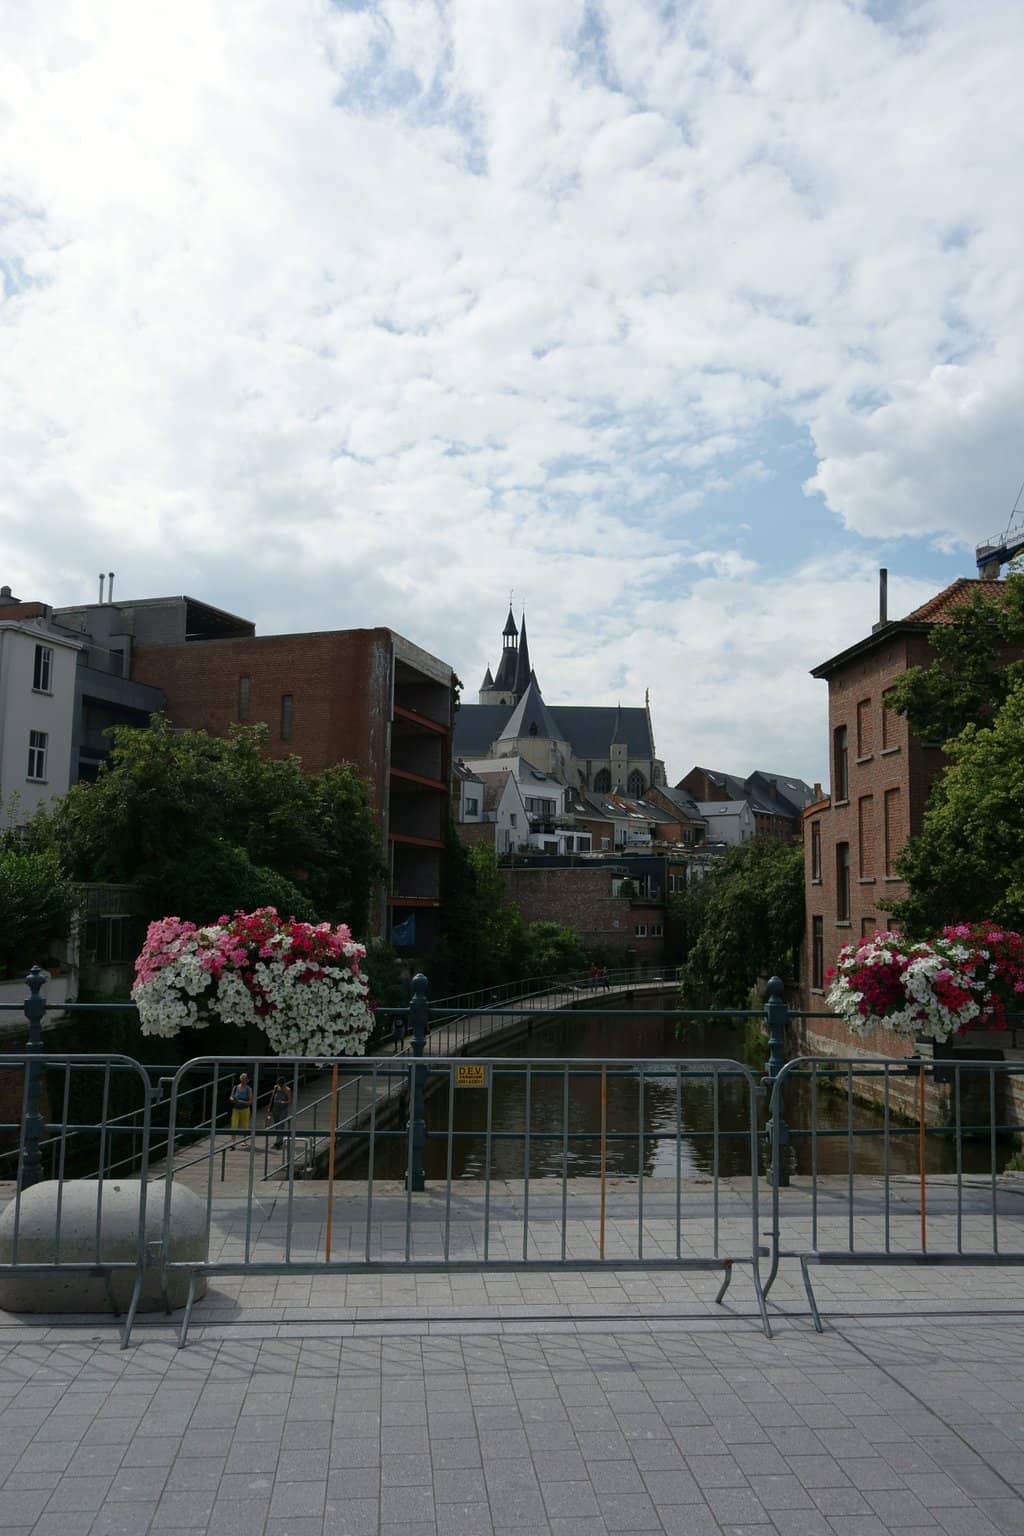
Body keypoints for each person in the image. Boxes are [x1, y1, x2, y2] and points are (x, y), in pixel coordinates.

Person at [266, 1077, 292, 1149]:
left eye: (281, 1084)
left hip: (283, 1109)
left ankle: (278, 1142)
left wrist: (283, 1102)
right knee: (276, 1125)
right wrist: (269, 1108)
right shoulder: (276, 1088)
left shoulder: (288, 1090)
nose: (280, 1086)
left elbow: (290, 1101)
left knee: (281, 1125)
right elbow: (272, 1098)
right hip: (275, 1108)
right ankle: (279, 1140)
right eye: (279, 1084)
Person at [229, 1073, 253, 1141]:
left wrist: (241, 1101)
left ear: (247, 1080)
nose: (244, 1080)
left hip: (245, 1109)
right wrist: (232, 1099)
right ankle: (233, 1141)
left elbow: (250, 1102)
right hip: (235, 1109)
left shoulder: (249, 1089)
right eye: (243, 1078)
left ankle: (244, 1140)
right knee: (233, 1125)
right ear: (240, 1079)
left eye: (245, 1079)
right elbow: (231, 1096)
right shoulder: (235, 1087)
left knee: (244, 1126)